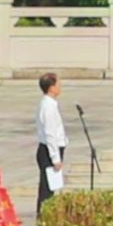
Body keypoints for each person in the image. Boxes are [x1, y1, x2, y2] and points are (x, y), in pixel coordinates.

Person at [31, 78, 69, 210]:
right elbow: (50, 134)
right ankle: (43, 216)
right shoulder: (48, 106)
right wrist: (55, 158)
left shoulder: (50, 104)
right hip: (49, 151)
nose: (60, 87)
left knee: (50, 188)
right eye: (58, 84)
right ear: (51, 88)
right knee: (46, 190)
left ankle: (46, 215)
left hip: (51, 149)